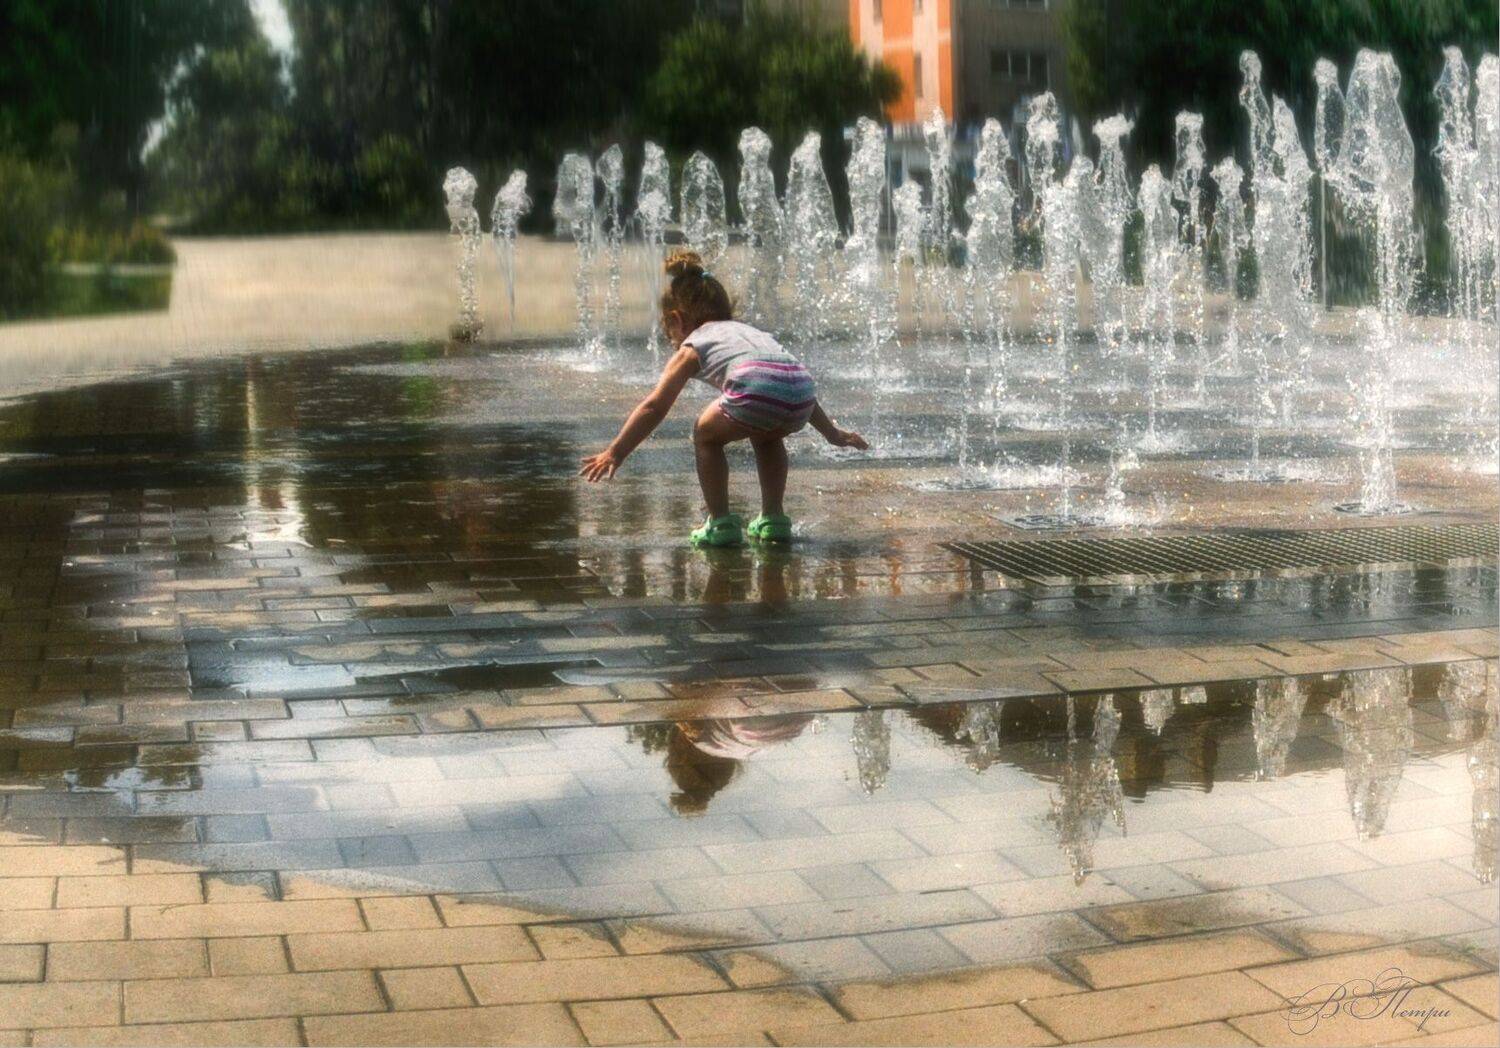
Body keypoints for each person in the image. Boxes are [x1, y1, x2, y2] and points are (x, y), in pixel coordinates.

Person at [580, 251, 868, 546]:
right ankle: (773, 519)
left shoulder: (694, 344)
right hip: (803, 395)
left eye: (669, 331)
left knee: (705, 433)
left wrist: (616, 451)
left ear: (677, 319)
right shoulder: (751, 332)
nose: (671, 340)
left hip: (760, 391)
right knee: (767, 434)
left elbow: (655, 406)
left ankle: (719, 523)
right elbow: (788, 382)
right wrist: (831, 433)